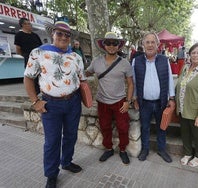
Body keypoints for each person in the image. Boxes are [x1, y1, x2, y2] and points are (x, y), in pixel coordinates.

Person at [24, 21, 85, 188]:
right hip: (51, 104)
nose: (64, 37)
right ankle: (51, 174)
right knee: (52, 141)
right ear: (53, 34)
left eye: (67, 35)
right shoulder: (39, 53)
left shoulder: (76, 56)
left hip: (73, 102)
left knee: (71, 135)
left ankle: (66, 162)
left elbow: (82, 79)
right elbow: (28, 77)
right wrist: (35, 101)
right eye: (60, 33)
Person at [85, 32, 134, 165]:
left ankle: (123, 150)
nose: (111, 46)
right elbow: (86, 73)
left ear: (118, 46)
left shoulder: (125, 63)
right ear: (104, 45)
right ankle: (108, 148)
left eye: (114, 43)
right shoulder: (96, 62)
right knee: (105, 126)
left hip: (119, 102)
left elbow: (130, 84)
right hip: (102, 101)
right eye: (108, 43)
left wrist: (128, 102)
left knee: (123, 127)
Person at [132, 32, 175, 163]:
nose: (150, 45)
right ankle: (145, 149)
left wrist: (171, 98)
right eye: (147, 42)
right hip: (144, 102)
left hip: (161, 101)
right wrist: (134, 98)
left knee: (162, 127)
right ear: (143, 44)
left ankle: (161, 149)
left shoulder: (164, 60)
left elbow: (169, 80)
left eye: (153, 42)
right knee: (145, 127)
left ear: (157, 45)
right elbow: (133, 81)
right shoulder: (136, 61)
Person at [15, 18, 42, 94]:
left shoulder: (35, 35)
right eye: (28, 24)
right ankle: (34, 93)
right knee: (31, 76)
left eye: (30, 23)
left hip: (39, 58)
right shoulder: (19, 35)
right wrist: (26, 56)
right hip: (28, 58)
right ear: (23, 25)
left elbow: (40, 47)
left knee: (40, 74)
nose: (30, 25)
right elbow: (18, 49)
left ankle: (41, 90)